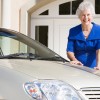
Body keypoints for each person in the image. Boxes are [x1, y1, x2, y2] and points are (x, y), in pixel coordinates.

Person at [66, 1, 100, 70]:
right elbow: (70, 50)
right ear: (79, 17)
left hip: (94, 68)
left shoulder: (98, 30)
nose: (86, 17)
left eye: (88, 14)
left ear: (92, 15)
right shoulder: (73, 31)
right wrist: (74, 60)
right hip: (77, 68)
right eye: (83, 15)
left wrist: (98, 65)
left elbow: (99, 50)